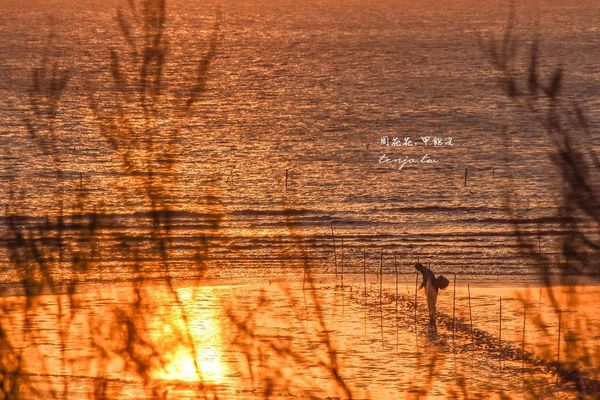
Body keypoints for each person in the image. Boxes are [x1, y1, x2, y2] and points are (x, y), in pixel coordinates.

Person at [414, 262, 449, 332]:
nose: (418, 271)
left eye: (417, 269)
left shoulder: (425, 271)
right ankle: (432, 317)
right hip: (433, 288)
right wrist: (422, 286)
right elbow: (426, 280)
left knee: (431, 304)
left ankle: (432, 318)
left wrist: (422, 286)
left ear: (419, 268)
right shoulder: (425, 270)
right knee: (431, 304)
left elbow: (427, 279)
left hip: (432, 288)